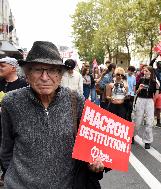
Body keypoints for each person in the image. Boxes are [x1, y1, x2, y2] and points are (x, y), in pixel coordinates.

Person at [0, 41, 104, 188]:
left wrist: (93, 163)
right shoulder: (11, 102)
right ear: (27, 74)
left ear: (60, 75)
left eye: (52, 70)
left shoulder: (76, 101)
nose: (44, 77)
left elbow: (90, 146)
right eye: (37, 70)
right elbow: (6, 149)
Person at [0, 57, 28, 186]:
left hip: (14, 127)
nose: (0, 68)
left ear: (13, 68)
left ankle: (8, 174)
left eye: (2, 65)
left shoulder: (23, 86)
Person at [134, 66, 158, 149]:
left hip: (149, 101)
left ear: (150, 72)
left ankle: (147, 141)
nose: (144, 72)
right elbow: (136, 92)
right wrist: (139, 89)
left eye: (146, 70)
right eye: (144, 70)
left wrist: (153, 103)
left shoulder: (154, 82)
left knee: (149, 121)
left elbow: (156, 94)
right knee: (137, 120)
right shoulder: (140, 80)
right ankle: (132, 135)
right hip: (140, 100)